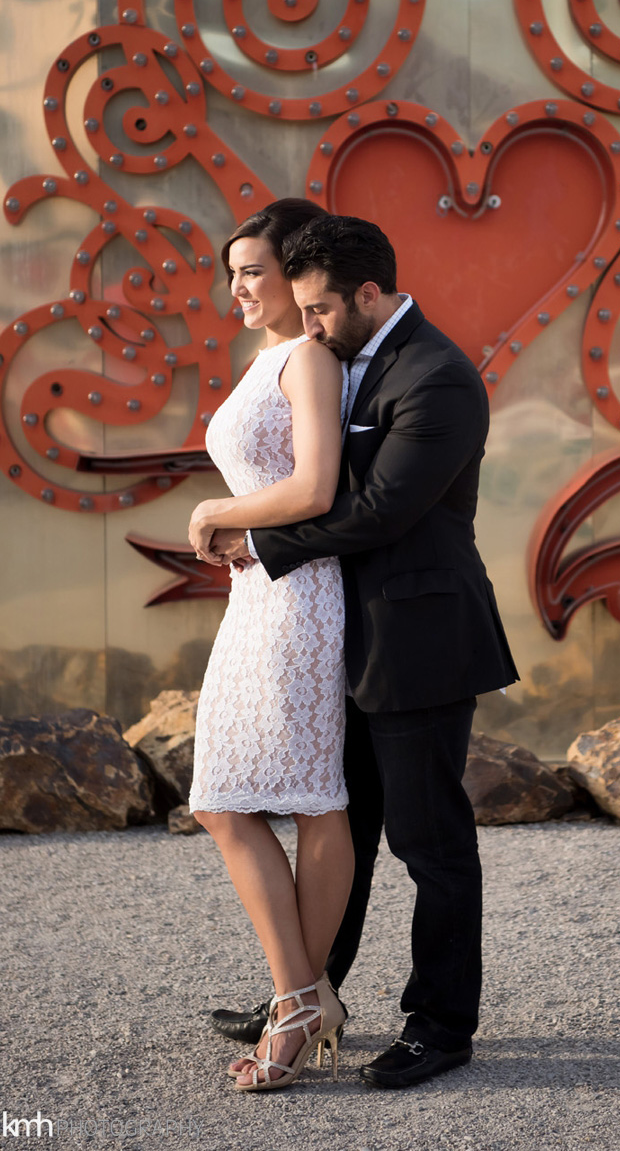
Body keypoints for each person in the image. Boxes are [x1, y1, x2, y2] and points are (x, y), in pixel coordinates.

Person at [205, 213, 518, 1090]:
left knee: (429, 840)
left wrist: (261, 544)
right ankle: (304, 990)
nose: (306, 326)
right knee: (339, 821)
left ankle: (441, 1026)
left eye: (318, 311)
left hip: (416, 638)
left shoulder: (439, 377)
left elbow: (382, 509)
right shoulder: (345, 362)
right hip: (337, 633)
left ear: (368, 295)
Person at [185, 197, 354, 1092]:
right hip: (258, 593)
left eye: (254, 270)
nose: (238, 286)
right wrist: (237, 532)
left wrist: (218, 512)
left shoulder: (309, 359)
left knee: (308, 797)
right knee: (224, 795)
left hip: (297, 596)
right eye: (233, 272)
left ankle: (294, 1003)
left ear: (295, 275)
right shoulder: (266, 357)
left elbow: (316, 486)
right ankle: (305, 992)